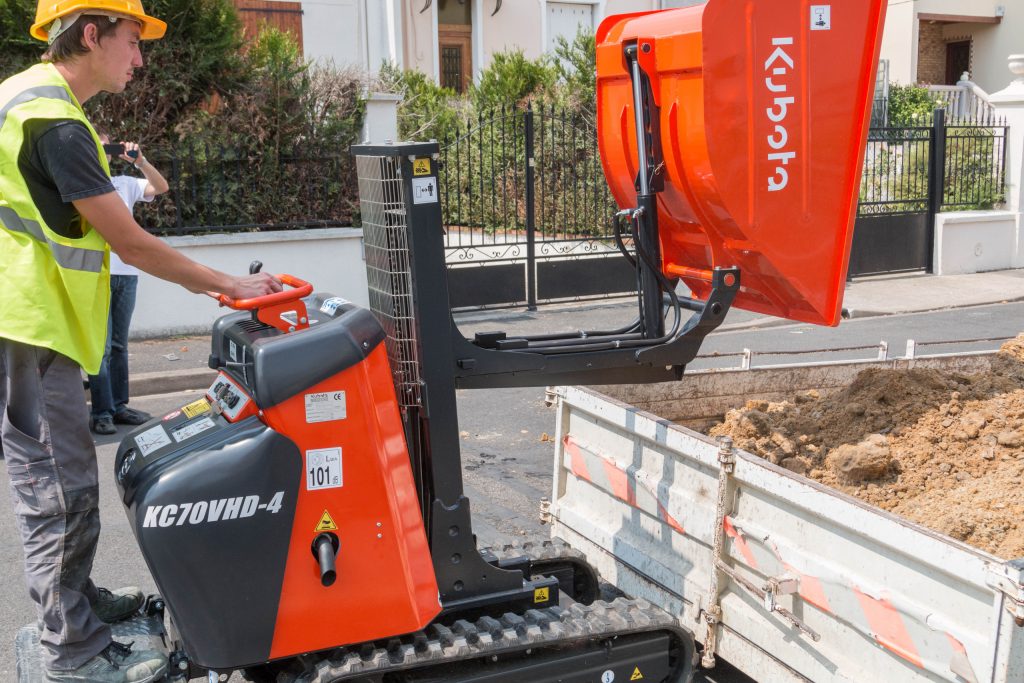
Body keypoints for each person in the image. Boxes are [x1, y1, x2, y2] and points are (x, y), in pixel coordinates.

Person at [0, 2, 281, 681]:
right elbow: (129, 240)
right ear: (91, 35)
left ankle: (76, 600)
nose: (141, 57)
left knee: (61, 481)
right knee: (59, 491)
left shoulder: (24, 97)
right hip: (30, 325)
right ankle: (73, 648)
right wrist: (229, 286)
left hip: (30, 324)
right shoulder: (57, 122)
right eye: (133, 40)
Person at [87, 134, 169, 435]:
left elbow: (160, 187)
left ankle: (119, 406)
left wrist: (141, 161)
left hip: (127, 273)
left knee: (119, 346)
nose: (104, 150)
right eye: (97, 144)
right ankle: (101, 412)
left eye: (108, 146)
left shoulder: (124, 183)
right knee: (102, 347)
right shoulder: (83, 184)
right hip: (96, 273)